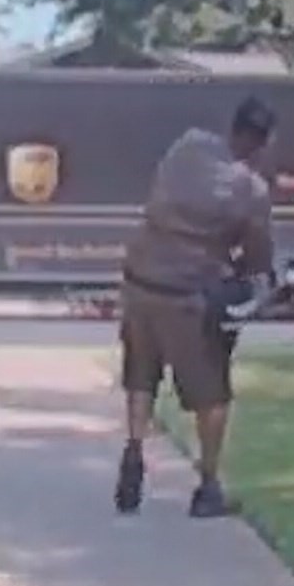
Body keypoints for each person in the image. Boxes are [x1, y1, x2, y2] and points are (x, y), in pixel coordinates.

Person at [113, 96, 277, 518]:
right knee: (211, 395)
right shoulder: (251, 189)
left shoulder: (187, 145)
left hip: (140, 281)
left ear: (232, 126)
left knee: (141, 376)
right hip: (187, 297)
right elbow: (258, 256)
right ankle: (207, 486)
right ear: (262, 143)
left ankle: (133, 454)